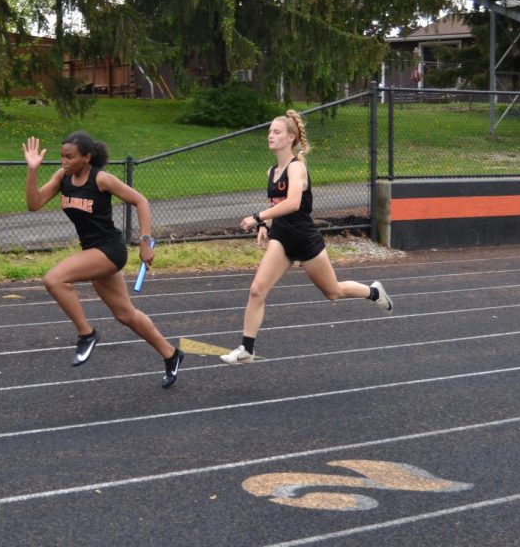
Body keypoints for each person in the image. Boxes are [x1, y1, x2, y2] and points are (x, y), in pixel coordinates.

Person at [220, 110, 394, 364]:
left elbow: (292, 203)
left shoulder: (297, 168)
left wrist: (257, 217)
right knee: (257, 290)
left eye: (276, 131)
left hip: (304, 239)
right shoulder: (272, 171)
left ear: (291, 137)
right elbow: (276, 202)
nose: (270, 135)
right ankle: (246, 349)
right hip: (281, 240)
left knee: (333, 292)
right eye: (269, 131)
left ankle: (373, 292)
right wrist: (266, 225)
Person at [23, 131, 184, 388]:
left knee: (54, 279)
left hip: (110, 250)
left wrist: (145, 242)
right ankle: (171, 354)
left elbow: (140, 201)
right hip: (92, 251)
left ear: (87, 158)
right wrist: (32, 170)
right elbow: (34, 203)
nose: (64, 161)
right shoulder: (62, 177)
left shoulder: (101, 179)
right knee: (125, 314)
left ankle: (87, 334)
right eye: (62, 156)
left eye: (70, 157)